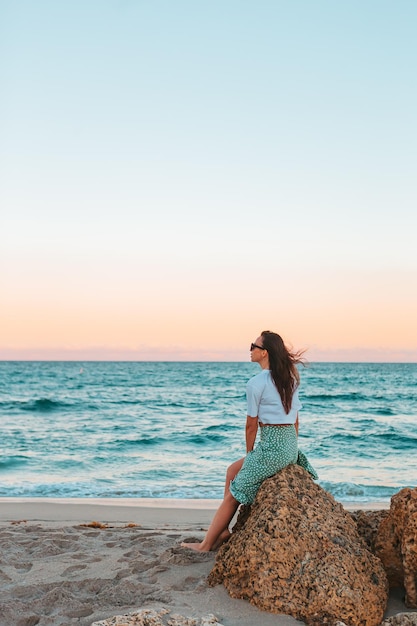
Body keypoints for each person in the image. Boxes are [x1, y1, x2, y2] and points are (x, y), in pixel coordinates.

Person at [181, 330, 317, 552]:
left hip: (272, 449)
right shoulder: (289, 380)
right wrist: (288, 449)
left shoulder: (257, 382)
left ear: (264, 353)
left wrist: (251, 453)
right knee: (232, 471)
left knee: (234, 496)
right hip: (289, 447)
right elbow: (296, 421)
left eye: (253, 345)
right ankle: (223, 531)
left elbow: (251, 425)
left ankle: (205, 545)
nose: (250, 349)